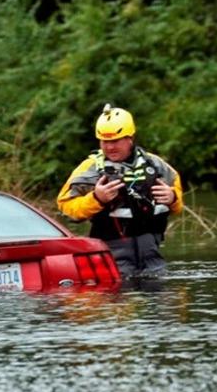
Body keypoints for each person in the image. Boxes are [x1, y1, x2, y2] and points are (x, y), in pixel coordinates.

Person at [57, 104, 183, 277]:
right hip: (113, 264)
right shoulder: (89, 169)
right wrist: (97, 199)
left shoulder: (156, 165)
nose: (109, 147)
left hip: (153, 262)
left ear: (129, 138)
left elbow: (177, 206)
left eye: (115, 141)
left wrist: (173, 198)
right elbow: (66, 208)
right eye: (104, 141)